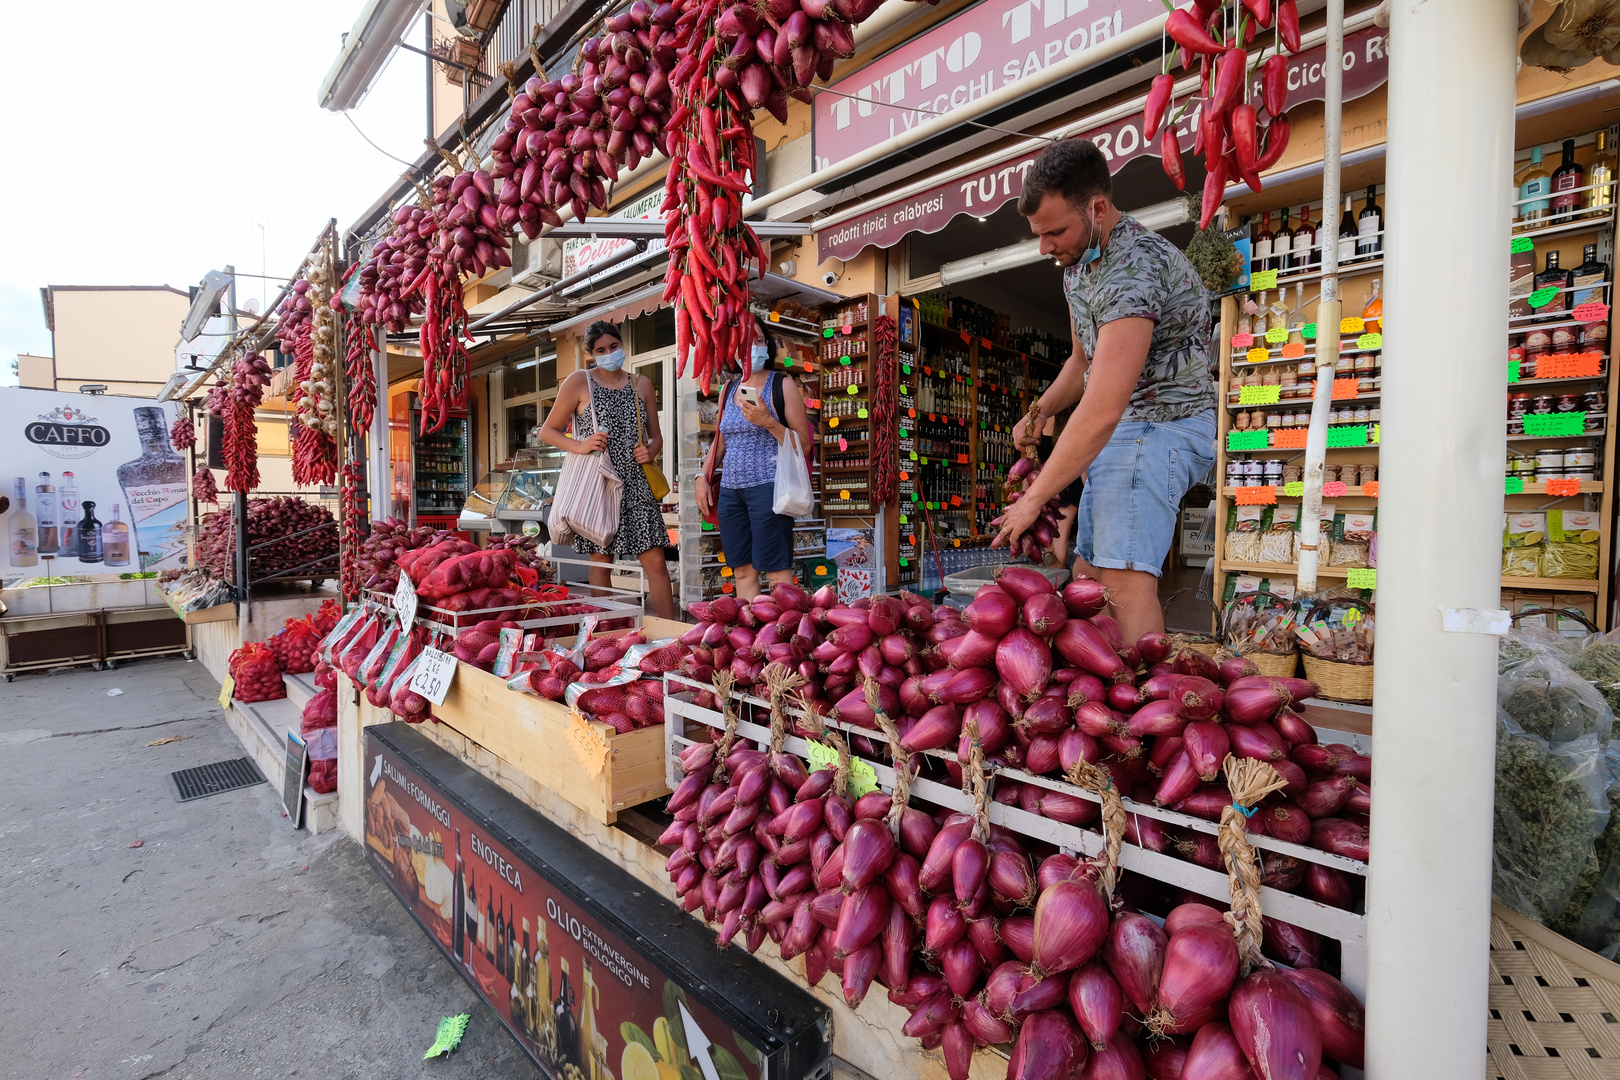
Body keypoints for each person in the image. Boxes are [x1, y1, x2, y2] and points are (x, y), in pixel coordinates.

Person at [997, 138, 1217, 642]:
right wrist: (1042, 408)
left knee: (1120, 582)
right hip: (1123, 429)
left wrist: (1036, 498)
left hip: (1160, 425)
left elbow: (1102, 408)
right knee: (1087, 579)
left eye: (1055, 231)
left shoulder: (1133, 268)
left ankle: (1147, 710)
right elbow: (1083, 360)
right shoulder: (1077, 266)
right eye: (1039, 234)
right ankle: (1104, 692)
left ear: (1098, 207)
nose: (1045, 247)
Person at [538, 321, 675, 620]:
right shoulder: (579, 381)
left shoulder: (641, 383)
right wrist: (582, 444)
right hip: (598, 482)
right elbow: (547, 431)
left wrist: (649, 450)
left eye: (613, 347)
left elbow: (657, 436)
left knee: (655, 561)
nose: (609, 353)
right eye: (601, 350)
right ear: (591, 354)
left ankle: (671, 633)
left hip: (637, 483)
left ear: (622, 344)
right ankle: (609, 631)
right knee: (601, 561)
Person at [694, 318, 813, 602]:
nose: (753, 348)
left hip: (769, 487)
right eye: (745, 343)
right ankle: (752, 638)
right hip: (732, 492)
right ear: (733, 349)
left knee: (775, 571)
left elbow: (805, 444)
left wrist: (769, 422)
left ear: (768, 344)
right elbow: (721, 441)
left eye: (758, 341)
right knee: (742, 571)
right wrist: (702, 476)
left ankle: (785, 635)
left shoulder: (781, 385)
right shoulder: (727, 390)